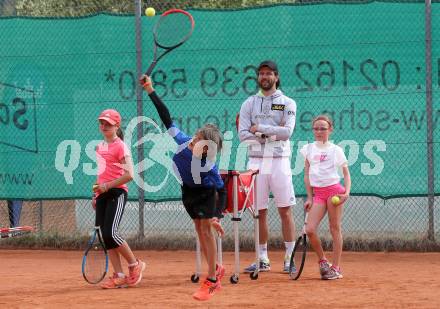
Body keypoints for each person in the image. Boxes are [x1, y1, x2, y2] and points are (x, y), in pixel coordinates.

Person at [140, 75, 226, 301]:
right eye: (197, 137)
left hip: (205, 193)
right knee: (199, 231)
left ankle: (212, 281)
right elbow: (165, 117)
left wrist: (218, 216)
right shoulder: (182, 141)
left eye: (202, 142)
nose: (195, 141)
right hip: (188, 191)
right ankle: (216, 268)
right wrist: (150, 90)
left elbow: (222, 189)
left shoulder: (209, 165)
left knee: (206, 230)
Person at [238, 60, 297, 273]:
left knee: (285, 211)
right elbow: (243, 136)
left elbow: (287, 132)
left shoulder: (286, 103)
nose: (265, 77)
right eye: (261, 73)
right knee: (259, 212)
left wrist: (259, 130)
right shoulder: (249, 104)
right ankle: (262, 259)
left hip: (280, 161)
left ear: (277, 77)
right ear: (257, 77)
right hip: (256, 162)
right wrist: (271, 133)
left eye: (269, 73)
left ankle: (289, 258)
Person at [93, 108, 146, 289]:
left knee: (111, 233)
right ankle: (119, 275)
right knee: (106, 236)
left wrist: (107, 186)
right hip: (103, 195)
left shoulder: (121, 146)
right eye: (102, 122)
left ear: (117, 125)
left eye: (108, 123)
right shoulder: (100, 147)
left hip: (117, 193)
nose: (104, 126)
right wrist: (97, 193)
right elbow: (101, 174)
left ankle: (134, 264)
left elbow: (130, 174)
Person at [300, 115, 351, 280]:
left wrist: (346, 192)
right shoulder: (308, 149)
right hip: (318, 194)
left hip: (334, 191)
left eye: (323, 128)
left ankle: (336, 268)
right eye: (316, 128)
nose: (319, 131)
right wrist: (309, 197)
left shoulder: (336, 150)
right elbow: (307, 174)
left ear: (330, 130)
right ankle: (323, 261)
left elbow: (346, 174)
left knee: (334, 228)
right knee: (309, 230)